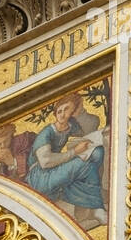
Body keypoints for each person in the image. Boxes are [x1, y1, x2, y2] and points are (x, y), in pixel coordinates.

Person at [27, 93, 107, 230]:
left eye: (66, 109)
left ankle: (90, 207)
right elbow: (45, 161)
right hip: (41, 177)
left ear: (73, 111)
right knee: (84, 164)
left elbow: (93, 122)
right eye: (59, 111)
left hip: (56, 168)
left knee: (98, 153)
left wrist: (80, 111)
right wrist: (74, 152)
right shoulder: (47, 132)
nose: (62, 114)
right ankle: (95, 208)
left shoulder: (70, 126)